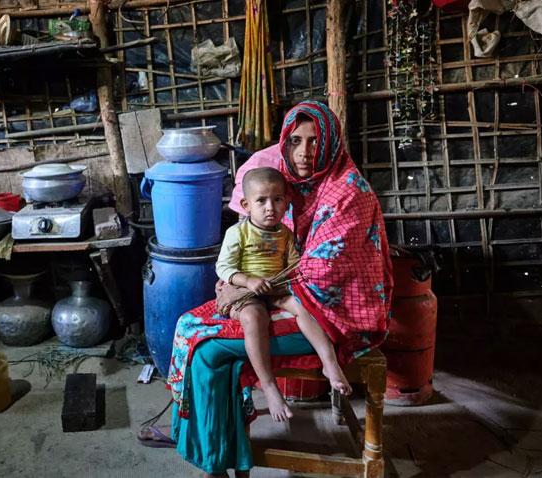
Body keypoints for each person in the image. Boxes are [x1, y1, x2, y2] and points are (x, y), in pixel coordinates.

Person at [146, 101, 393, 478]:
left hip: (334, 315)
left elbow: (313, 273)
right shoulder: (305, 186)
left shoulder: (347, 194)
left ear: (331, 142)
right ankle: (209, 441)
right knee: (188, 325)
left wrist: (240, 289)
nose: (304, 153)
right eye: (295, 141)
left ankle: (216, 456)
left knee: (207, 349)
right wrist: (235, 282)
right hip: (289, 296)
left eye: (314, 141)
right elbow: (274, 257)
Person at [215, 166, 351, 423]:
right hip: (242, 288)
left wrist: (305, 270)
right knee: (254, 317)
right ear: (246, 204)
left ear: (286, 202)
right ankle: (269, 386)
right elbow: (223, 267)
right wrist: (248, 280)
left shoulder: (285, 234)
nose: (270, 207)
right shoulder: (238, 233)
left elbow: (294, 263)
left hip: (275, 287)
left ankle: (330, 364)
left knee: (305, 306)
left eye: (277, 200)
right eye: (262, 201)